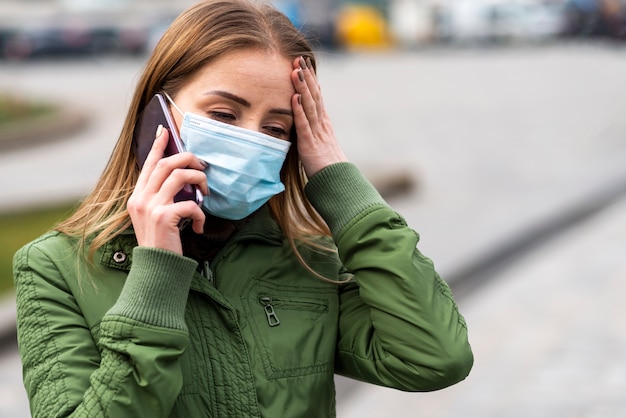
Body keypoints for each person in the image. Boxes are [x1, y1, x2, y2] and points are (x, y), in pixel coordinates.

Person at [13, 0, 473, 416]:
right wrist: (155, 275)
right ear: (158, 114)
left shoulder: (305, 262)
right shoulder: (54, 269)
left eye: (276, 128)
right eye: (224, 115)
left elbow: (436, 357)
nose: (252, 139)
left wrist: (339, 181)